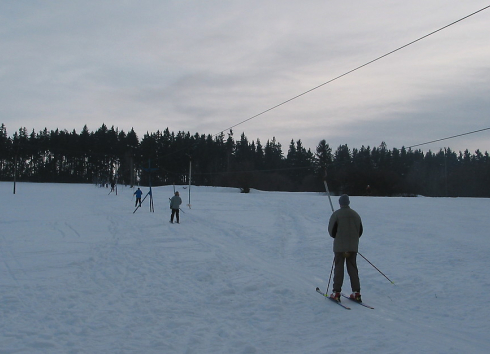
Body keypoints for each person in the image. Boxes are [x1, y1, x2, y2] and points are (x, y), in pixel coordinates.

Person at [328, 194, 363, 302]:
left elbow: (331, 232)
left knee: (339, 268)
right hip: (353, 247)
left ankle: (336, 292)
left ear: (340, 203)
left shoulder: (336, 215)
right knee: (352, 268)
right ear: (348, 202)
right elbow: (360, 231)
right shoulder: (356, 215)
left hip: (340, 247)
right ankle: (356, 292)